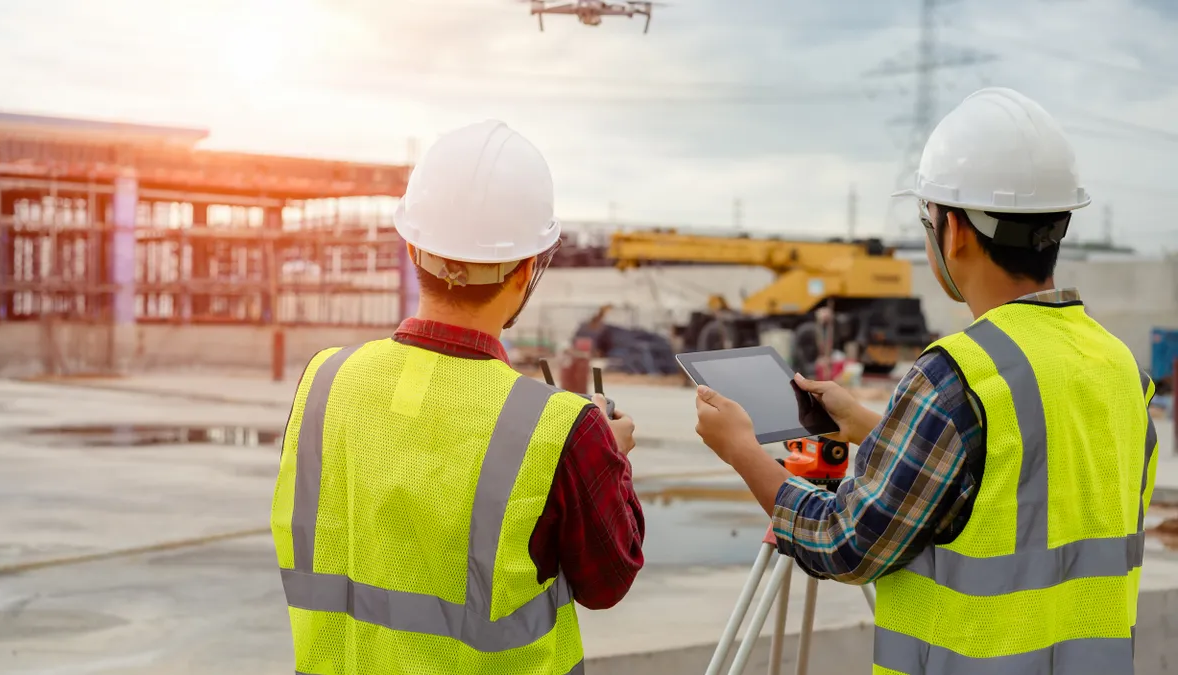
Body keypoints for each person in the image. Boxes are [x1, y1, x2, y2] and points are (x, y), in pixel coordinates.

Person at [693, 88, 1159, 675]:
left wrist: (741, 451)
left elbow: (842, 544)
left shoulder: (957, 376)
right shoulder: (1122, 369)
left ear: (955, 231)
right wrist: (870, 426)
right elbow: (1024, 477)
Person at [270, 119, 644, 675]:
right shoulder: (560, 427)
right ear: (527, 269)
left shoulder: (326, 379)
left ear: (412, 246)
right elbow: (607, 581)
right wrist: (608, 460)